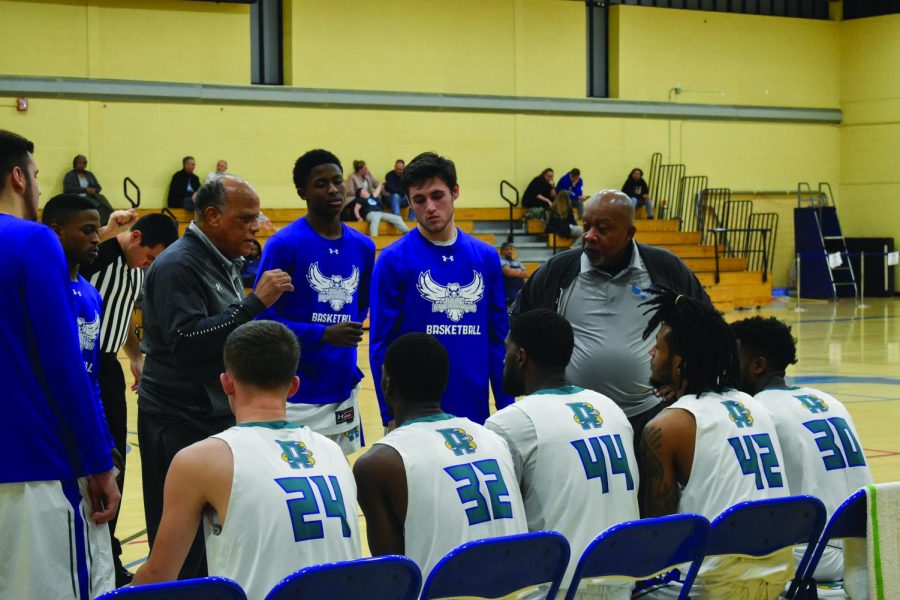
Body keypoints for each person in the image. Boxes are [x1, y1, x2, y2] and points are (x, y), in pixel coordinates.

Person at [133, 320, 361, 598]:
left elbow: (159, 576)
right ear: (293, 387)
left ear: (226, 383)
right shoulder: (332, 451)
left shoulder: (201, 459)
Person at [139, 175, 294, 579]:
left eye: (256, 218)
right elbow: (187, 342)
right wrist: (253, 304)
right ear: (212, 216)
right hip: (177, 420)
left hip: (211, 418)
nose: (255, 227)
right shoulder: (178, 264)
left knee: (215, 545)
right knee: (181, 550)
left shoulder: (220, 260)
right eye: (245, 219)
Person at [0, 130, 119, 598]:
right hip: (35, 466)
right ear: (17, 177)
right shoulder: (32, 241)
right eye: (34, 176)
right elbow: (64, 364)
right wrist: (99, 462)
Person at [512, 191, 709, 449]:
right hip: (573, 420)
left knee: (649, 489)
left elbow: (707, 325)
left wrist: (686, 376)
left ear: (630, 233)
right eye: (586, 226)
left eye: (602, 229)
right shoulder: (558, 270)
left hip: (648, 417)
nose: (589, 236)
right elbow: (519, 326)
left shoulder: (665, 268)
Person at [638, 287, 791, 599]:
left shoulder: (665, 427)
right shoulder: (754, 406)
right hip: (776, 576)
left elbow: (661, 535)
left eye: (658, 347)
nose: (652, 353)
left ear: (680, 365)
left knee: (620, 582)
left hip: (710, 584)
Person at [487, 309, 639, 599]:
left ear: (521, 356)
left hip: (557, 587)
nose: (501, 358)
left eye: (506, 349)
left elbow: (499, 526)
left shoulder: (511, 423)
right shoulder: (610, 408)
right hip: (622, 581)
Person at [354, 333, 527, 579]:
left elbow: (393, 576)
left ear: (386, 385)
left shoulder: (379, 464)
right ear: (445, 384)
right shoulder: (495, 439)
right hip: (521, 590)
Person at [370, 152, 513, 429]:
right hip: (414, 415)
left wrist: (507, 406)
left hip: (474, 410)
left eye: (438, 196)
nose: (430, 207)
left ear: (455, 191)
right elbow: (380, 345)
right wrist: (389, 414)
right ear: (409, 202)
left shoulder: (485, 257)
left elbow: (498, 339)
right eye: (420, 200)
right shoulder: (391, 260)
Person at [731, 316, 873, 583]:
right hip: (864, 547)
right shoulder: (827, 399)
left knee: (719, 546)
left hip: (816, 554)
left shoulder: (756, 411)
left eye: (731, 359)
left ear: (758, 366)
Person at [80, 211, 179, 585]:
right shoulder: (99, 254)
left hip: (108, 369)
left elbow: (121, 315)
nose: (151, 265)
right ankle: (91, 553)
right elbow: (62, 260)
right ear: (134, 237)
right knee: (95, 464)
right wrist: (107, 229)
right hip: (82, 364)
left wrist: (135, 355)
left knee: (115, 461)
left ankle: (108, 550)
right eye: (151, 257)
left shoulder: (137, 269)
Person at [254, 149, 375, 454]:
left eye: (337, 181)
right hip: (295, 390)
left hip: (341, 385)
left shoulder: (363, 246)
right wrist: (322, 334)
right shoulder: (284, 244)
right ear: (302, 192)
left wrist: (347, 329)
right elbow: (261, 318)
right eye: (321, 184)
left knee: (339, 476)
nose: (333, 189)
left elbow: (361, 304)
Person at [347, 159, 410, 237]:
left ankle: (407, 233)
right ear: (360, 170)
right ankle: (374, 238)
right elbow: (352, 198)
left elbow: (376, 184)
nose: (367, 170)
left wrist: (383, 190)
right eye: (365, 168)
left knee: (396, 218)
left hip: (380, 212)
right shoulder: (353, 180)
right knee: (376, 219)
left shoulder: (371, 191)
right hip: (367, 210)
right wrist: (359, 217)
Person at [63, 153, 114, 223]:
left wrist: (94, 190)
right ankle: (100, 222)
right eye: (79, 163)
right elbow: (67, 188)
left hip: (90, 195)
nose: (82, 165)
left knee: (104, 202)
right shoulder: (70, 175)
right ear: (75, 164)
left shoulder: (89, 174)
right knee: (97, 205)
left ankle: (111, 218)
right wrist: (85, 189)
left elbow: (98, 187)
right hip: (76, 196)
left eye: (84, 163)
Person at [499, 242, 528, 307]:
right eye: (507, 249)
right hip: (507, 292)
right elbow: (508, 273)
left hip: (519, 291)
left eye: (511, 249)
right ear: (501, 251)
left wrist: (513, 271)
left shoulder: (516, 261)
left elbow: (526, 274)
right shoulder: (499, 260)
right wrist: (520, 271)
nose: (509, 251)